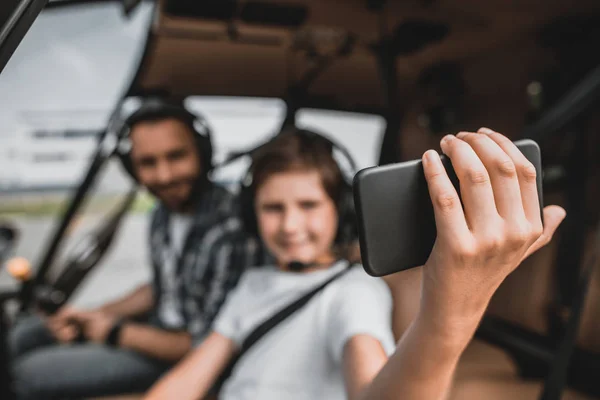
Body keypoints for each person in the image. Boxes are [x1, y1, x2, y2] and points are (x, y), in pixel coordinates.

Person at [143, 127, 566, 400]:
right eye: (273, 208)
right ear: (253, 216)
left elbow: (375, 391)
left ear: (340, 213)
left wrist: (454, 305)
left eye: (308, 205)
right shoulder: (253, 281)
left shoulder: (353, 292)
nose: (290, 225)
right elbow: (189, 378)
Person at [8, 99, 263, 399]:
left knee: (25, 376)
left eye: (176, 156)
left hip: (180, 355)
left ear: (203, 155)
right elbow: (161, 287)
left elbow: (207, 345)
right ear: (132, 168)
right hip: (155, 329)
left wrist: (114, 332)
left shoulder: (231, 229)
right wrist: (90, 315)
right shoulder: (162, 214)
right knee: (27, 333)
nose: (164, 176)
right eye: (148, 163)